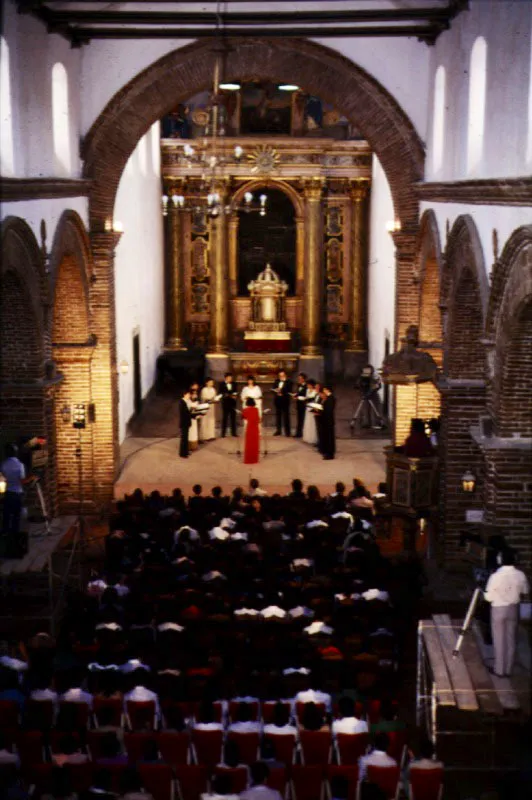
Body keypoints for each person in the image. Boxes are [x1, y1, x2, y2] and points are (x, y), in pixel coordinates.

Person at [484, 549, 529, 677]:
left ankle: (499, 669)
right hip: (513, 608)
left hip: (499, 609)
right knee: (511, 639)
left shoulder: (495, 576)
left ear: (501, 559)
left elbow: (489, 598)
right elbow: (525, 591)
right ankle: (508, 669)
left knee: (499, 639)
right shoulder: (520, 575)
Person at [1, 444, 26, 539]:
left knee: (6, 514)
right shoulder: (20, 465)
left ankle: (5, 533)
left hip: (8, 492)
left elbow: (2, 479)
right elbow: (22, 480)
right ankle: (14, 534)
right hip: (17, 493)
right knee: (16, 515)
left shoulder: (3, 464)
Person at [272, 370, 292, 437]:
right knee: (278, 416)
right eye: (280, 376)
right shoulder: (276, 381)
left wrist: (281, 391)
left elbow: (289, 390)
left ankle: (287, 432)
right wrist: (275, 391)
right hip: (278, 400)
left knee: (286, 416)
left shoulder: (289, 381)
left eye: (282, 375)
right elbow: (273, 388)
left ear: (285, 375)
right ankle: (278, 431)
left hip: (285, 400)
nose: (281, 377)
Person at [242, 399, 261, 465]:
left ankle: (248, 460)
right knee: (255, 444)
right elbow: (258, 419)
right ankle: (254, 459)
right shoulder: (256, 409)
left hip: (249, 427)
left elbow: (244, 417)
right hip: (255, 428)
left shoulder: (245, 410)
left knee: (249, 444)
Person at [219, 373, 238, 437]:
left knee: (233, 418)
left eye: (231, 378)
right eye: (229, 378)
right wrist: (225, 395)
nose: (230, 379)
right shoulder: (222, 384)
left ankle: (234, 433)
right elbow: (220, 393)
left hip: (233, 403)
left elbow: (236, 391)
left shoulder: (234, 384)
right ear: (226, 378)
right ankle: (223, 433)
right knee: (225, 418)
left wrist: (235, 395)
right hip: (225, 403)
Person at [320, 386, 336, 460]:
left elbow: (328, 410)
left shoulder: (330, 398)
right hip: (326, 420)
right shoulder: (328, 398)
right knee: (327, 437)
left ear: (327, 390)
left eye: (324, 390)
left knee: (330, 437)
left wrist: (321, 410)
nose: (323, 391)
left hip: (328, 420)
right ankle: (327, 451)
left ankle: (330, 454)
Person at [200, 378, 218, 442]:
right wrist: (210, 399)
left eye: (212, 382)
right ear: (207, 383)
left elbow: (215, 397)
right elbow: (204, 399)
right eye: (210, 382)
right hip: (205, 406)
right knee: (205, 421)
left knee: (211, 420)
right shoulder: (204, 390)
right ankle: (204, 436)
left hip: (212, 407)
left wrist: (216, 400)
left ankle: (211, 436)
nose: (211, 383)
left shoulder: (213, 389)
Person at [303, 379, 319, 445]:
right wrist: (305, 400)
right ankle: (307, 437)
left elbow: (315, 400)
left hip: (312, 407)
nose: (308, 386)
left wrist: (309, 400)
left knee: (312, 423)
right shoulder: (307, 390)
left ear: (312, 385)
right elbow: (306, 397)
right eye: (307, 385)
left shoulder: (315, 391)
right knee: (307, 421)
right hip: (307, 408)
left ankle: (313, 438)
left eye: (309, 385)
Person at [178, 389, 192, 458]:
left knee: (186, 438)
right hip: (184, 423)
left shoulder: (187, 401)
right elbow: (184, 413)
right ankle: (182, 454)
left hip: (187, 422)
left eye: (190, 394)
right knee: (183, 438)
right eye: (188, 394)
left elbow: (189, 411)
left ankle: (186, 451)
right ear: (185, 394)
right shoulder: (182, 402)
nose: (189, 395)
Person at [294, 373, 308, 438]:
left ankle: (301, 433)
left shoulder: (306, 386)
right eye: (298, 378)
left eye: (300, 378)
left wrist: (298, 397)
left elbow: (306, 396)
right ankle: (298, 433)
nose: (299, 380)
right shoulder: (298, 385)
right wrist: (295, 396)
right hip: (298, 404)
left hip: (303, 405)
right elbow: (298, 393)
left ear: (304, 379)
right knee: (299, 419)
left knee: (302, 419)